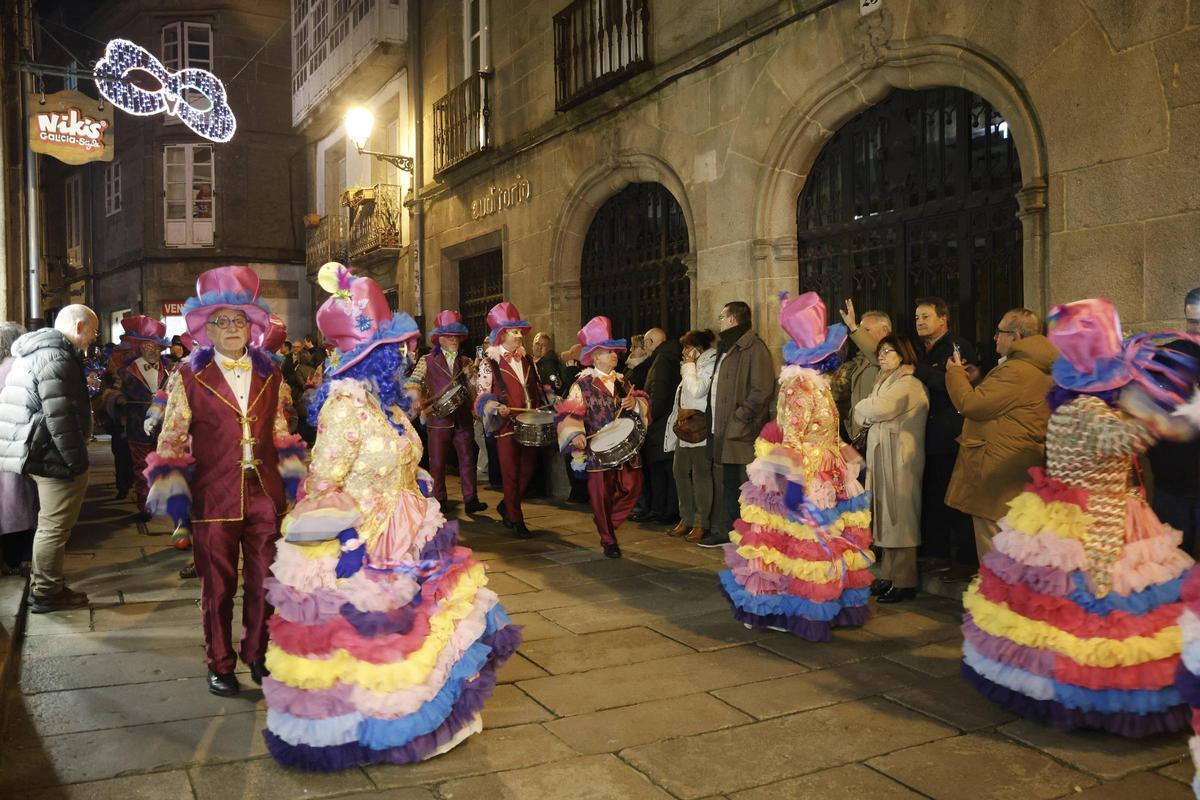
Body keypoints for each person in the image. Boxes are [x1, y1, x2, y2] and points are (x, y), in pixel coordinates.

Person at [260, 263, 520, 770]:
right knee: (372, 645)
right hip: (365, 541)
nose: (405, 353)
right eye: (394, 346)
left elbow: (404, 458)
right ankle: (372, 731)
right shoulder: (345, 408)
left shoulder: (390, 403)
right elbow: (322, 484)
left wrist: (417, 480)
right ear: (368, 354)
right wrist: (348, 540)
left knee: (423, 633)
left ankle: (436, 719)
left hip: (410, 528)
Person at [961, 298, 1198, 736]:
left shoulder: (1072, 407)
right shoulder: (1089, 411)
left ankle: (1053, 681)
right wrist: (1171, 408)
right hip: (1100, 517)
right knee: (1099, 605)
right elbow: (1127, 441)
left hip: (1065, 512)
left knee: (1059, 606)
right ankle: (1092, 689)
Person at [144, 266, 306, 696]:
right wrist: (175, 500)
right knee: (216, 588)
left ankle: (257, 652)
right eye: (221, 321)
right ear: (206, 329)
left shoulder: (272, 373)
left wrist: (295, 483)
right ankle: (219, 662)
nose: (232, 328)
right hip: (212, 494)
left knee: (264, 581)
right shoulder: (188, 375)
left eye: (239, 320)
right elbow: (173, 436)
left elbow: (280, 430)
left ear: (252, 326)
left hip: (265, 493)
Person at [719, 292, 873, 639]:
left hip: (826, 474)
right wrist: (793, 483)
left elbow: (827, 432)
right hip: (804, 476)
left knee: (823, 545)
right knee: (793, 545)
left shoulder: (817, 385)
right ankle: (779, 609)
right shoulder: (798, 387)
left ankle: (825, 603)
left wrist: (847, 456)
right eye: (829, 352)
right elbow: (792, 438)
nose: (834, 356)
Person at [0, 305, 98, 612]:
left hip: (32, 449)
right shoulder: (56, 355)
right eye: (93, 332)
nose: (93, 340)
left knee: (49, 524)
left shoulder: (37, 350)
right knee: (54, 526)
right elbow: (60, 416)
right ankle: (46, 591)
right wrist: (76, 462)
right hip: (50, 454)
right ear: (80, 326)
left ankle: (47, 585)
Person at [944, 308, 1057, 561]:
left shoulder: (1016, 370)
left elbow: (971, 404)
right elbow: (1004, 404)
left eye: (999, 332)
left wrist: (955, 374)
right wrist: (978, 379)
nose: (994, 338)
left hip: (996, 473)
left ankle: (997, 601)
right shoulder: (1035, 368)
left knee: (995, 553)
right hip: (1015, 467)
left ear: (1015, 335)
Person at [556, 316, 649, 558]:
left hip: (626, 448)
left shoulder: (622, 380)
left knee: (633, 486)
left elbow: (642, 403)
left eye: (615, 352)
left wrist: (635, 402)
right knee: (600, 496)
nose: (615, 355)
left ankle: (607, 522)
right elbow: (569, 412)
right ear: (595, 356)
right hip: (597, 451)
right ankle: (608, 539)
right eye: (609, 352)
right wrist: (575, 434)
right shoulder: (582, 384)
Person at [852, 334, 928, 603]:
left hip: (900, 460)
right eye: (881, 351)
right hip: (883, 458)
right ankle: (888, 575)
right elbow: (865, 414)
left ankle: (905, 580)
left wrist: (864, 407)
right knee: (885, 517)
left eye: (888, 351)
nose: (882, 356)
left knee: (900, 517)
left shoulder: (909, 384)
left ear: (903, 355)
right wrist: (866, 409)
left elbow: (878, 408)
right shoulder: (885, 381)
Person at [913, 296, 979, 580]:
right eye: (917, 318)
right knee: (933, 497)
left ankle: (965, 559)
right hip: (926, 436)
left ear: (943, 319)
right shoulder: (921, 351)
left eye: (926, 316)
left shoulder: (957, 347)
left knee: (956, 499)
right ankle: (936, 554)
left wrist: (918, 371)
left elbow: (954, 384)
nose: (920, 322)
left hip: (950, 435)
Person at [475, 302, 551, 539]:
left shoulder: (527, 359)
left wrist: (553, 400)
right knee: (510, 472)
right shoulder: (490, 363)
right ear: (502, 335)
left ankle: (508, 504)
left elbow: (539, 387)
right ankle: (516, 519)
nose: (519, 336)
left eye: (519, 332)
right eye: (513, 332)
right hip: (506, 425)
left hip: (530, 422)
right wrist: (496, 407)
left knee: (527, 470)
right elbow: (481, 396)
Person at [703, 301, 775, 548]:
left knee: (745, 484)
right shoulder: (727, 347)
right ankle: (730, 530)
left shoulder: (754, 348)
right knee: (730, 482)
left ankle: (747, 533)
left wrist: (740, 418)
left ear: (733, 319)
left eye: (722, 316)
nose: (720, 321)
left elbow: (762, 389)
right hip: (724, 428)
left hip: (741, 431)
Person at [407, 309, 486, 515]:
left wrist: (472, 377)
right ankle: (439, 498)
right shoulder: (426, 360)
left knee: (468, 459)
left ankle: (471, 499)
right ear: (439, 338)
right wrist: (414, 397)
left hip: (462, 418)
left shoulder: (467, 361)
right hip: (438, 418)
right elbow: (414, 381)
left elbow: (475, 389)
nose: (453, 340)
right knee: (438, 461)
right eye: (449, 336)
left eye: (456, 336)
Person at [1146, 287, 1200, 556]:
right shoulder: (1165, 358)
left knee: (1173, 565)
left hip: (1172, 479)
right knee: (1172, 563)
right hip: (1172, 482)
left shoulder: (1163, 357)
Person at [665, 329, 717, 542]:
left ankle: (700, 522)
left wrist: (688, 366)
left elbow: (696, 390)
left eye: (687, 347)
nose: (684, 352)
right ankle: (685, 518)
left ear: (698, 348)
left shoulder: (709, 365)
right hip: (685, 429)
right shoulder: (693, 367)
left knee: (700, 475)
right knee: (680, 472)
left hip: (699, 430)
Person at [117, 315, 171, 521]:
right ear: (139, 348)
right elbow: (111, 394)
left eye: (157, 347)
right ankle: (145, 505)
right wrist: (120, 403)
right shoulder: (125, 372)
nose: (153, 350)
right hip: (136, 426)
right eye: (148, 346)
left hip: (163, 427)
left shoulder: (168, 371)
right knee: (141, 467)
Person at [0, 322, 36, 575]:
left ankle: (12, 558)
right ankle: (18, 559)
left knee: (10, 502)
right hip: (15, 447)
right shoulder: (18, 368)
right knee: (18, 502)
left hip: (8, 446)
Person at [638, 327, 682, 525]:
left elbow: (659, 393)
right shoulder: (670, 355)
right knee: (665, 468)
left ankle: (663, 511)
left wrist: (649, 416)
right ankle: (663, 510)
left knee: (660, 468)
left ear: (650, 343)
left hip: (661, 423)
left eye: (645, 344)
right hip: (668, 421)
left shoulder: (662, 359)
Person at [834, 301, 891, 442]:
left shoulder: (889, 355)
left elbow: (876, 353)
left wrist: (853, 327)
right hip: (857, 432)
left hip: (874, 433)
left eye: (866, 330)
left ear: (884, 330)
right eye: (860, 330)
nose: (860, 334)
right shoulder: (862, 358)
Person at [558, 343, 590, 504]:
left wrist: (570, 372)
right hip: (573, 424)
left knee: (578, 458)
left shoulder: (582, 376)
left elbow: (570, 389)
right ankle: (578, 492)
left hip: (581, 424)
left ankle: (580, 493)